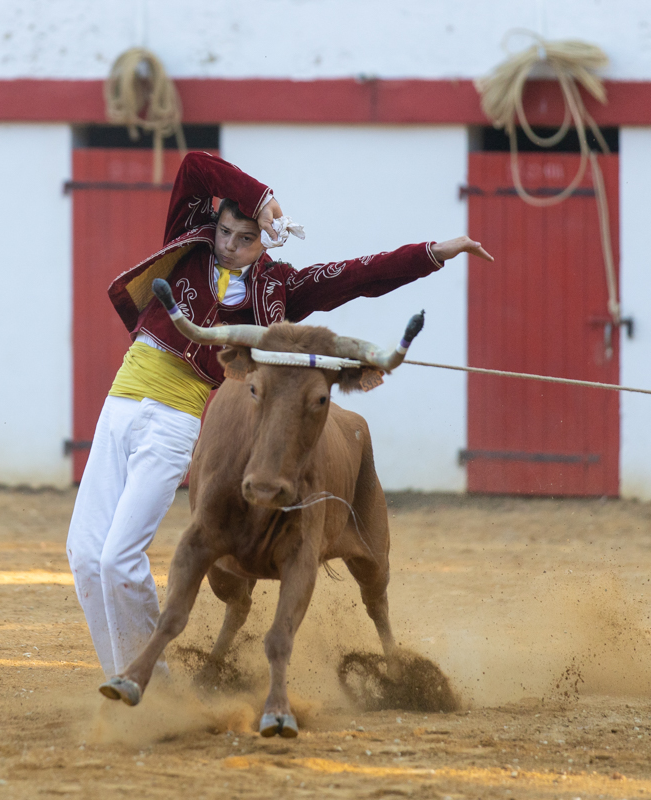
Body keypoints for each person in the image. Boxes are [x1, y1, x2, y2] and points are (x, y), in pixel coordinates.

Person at [66, 151, 492, 679]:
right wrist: (262, 198)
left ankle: (153, 682)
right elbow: (196, 166)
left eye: (244, 238)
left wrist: (432, 253)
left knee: (117, 561)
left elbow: (358, 275)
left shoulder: (279, 288)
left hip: (174, 421)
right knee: (84, 554)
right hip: (119, 405)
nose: (228, 245)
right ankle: (121, 674)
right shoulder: (189, 243)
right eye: (224, 232)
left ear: (264, 244)